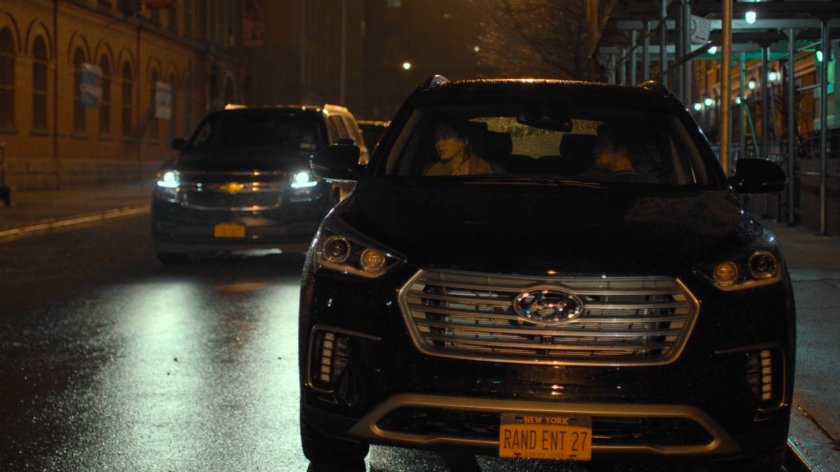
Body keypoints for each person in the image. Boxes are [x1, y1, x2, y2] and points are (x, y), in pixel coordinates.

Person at [424, 120, 492, 176]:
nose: (439, 144)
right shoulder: (435, 171)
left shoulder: (481, 167)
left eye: (446, 137)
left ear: (464, 141)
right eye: (437, 139)